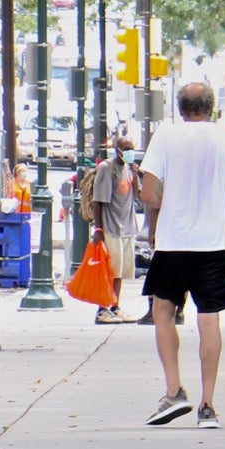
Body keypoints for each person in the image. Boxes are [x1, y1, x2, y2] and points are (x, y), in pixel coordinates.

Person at [137, 83, 225, 429]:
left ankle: (174, 390)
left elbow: (147, 193)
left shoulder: (166, 137)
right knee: (209, 317)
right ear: (212, 109)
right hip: (215, 244)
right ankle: (207, 406)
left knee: (163, 310)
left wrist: (170, 202)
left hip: (173, 242)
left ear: (181, 109)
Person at [91, 137, 139, 324]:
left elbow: (136, 196)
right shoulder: (106, 168)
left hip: (127, 226)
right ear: (117, 149)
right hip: (111, 226)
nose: (129, 152)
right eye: (126, 148)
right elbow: (98, 201)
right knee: (110, 271)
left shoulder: (128, 169)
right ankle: (102, 309)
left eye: (132, 148)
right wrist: (98, 228)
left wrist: (135, 177)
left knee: (121, 272)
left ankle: (115, 306)